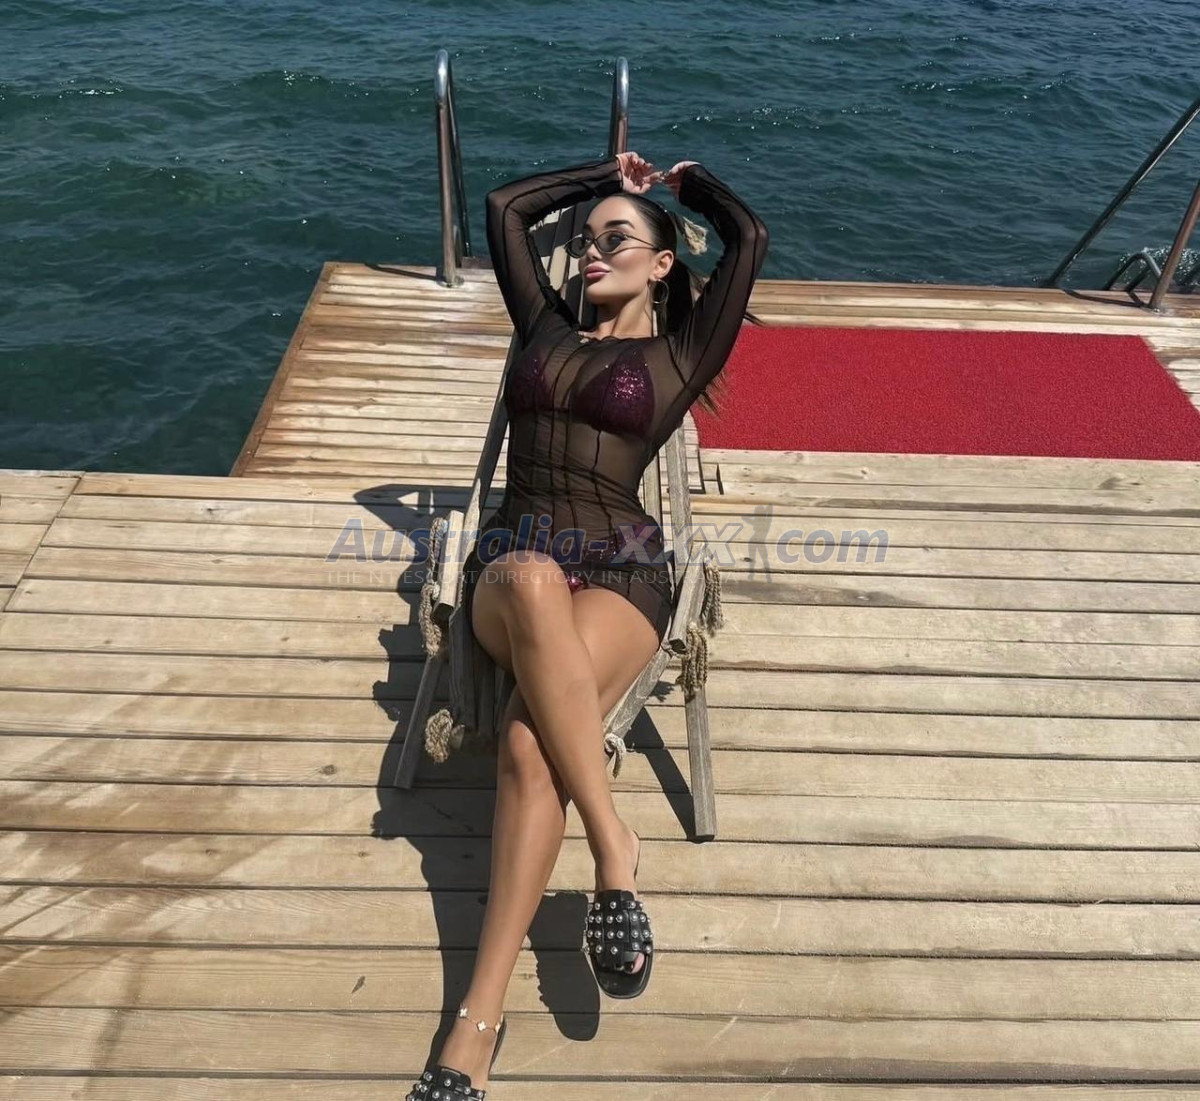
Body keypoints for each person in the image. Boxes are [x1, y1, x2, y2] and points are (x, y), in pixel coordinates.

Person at [405, 149, 768, 1100]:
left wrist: (688, 189)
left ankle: (475, 1025)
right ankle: (615, 843)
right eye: (587, 241)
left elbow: (749, 240)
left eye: (617, 239)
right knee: (530, 577)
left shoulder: (680, 355)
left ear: (662, 265)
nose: (592, 252)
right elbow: (503, 208)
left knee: (531, 745)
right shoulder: (544, 324)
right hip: (511, 570)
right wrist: (600, 175)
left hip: (623, 574)